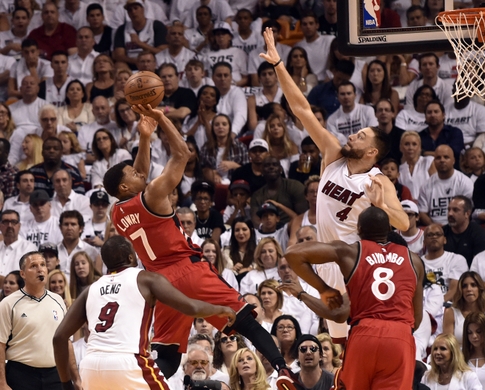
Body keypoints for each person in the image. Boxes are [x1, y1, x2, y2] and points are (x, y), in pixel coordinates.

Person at [102, 104, 302, 385]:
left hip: (160, 284)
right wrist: (162, 118)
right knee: (245, 321)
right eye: (132, 174)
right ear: (125, 187)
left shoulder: (117, 213)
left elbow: (138, 175)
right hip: (188, 270)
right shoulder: (154, 195)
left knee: (167, 353)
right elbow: (182, 154)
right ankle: (284, 370)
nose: (139, 173)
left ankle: (136, 385)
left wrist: (145, 138)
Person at [260, 28, 409, 242]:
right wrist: (278, 65)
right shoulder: (333, 154)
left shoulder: (378, 181)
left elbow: (403, 223)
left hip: (354, 261)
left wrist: (381, 206)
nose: (351, 137)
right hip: (326, 259)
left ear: (372, 151)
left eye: (360, 137)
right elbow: (302, 110)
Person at [52, 235, 236, 389]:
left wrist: (66, 384)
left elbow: (59, 337)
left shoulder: (90, 289)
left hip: (90, 367)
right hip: (128, 362)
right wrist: (221, 309)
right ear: (132, 258)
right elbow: (192, 307)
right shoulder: (144, 279)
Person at [285, 207, 424, 390]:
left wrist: (324, 288)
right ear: (389, 229)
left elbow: (292, 254)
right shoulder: (414, 260)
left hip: (365, 332)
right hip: (399, 335)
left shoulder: (351, 251)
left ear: (358, 229)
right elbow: (417, 319)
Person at [0, 251, 82, 389]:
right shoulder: (8, 304)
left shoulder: (58, 301)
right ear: (23, 274)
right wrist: (2, 383)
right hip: (21, 374)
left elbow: (66, 342)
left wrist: (76, 379)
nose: (40, 269)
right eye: (33, 266)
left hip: (55, 374)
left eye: (43, 265)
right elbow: (0, 345)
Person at [417, 144, 474, 226]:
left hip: (458, 227)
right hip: (435, 229)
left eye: (446, 157)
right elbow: (422, 213)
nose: (442, 160)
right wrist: (435, 227)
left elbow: (467, 211)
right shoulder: (426, 185)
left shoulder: (465, 182)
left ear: (453, 160)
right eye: (438, 158)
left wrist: (450, 229)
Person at [443, 270, 485, 345]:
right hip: (458, 355)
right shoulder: (451, 312)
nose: (469, 289)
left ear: (480, 289)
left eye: (473, 285)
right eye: (464, 286)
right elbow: (448, 344)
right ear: (461, 290)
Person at [443, 196, 485, 267]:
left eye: (455, 210)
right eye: (449, 210)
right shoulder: (442, 232)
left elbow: (480, 266)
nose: (450, 214)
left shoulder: (479, 234)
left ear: (467, 214)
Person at [0, 209, 37, 278]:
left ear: (19, 226)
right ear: (0, 226)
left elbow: (30, 277)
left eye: (13, 222)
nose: (10, 226)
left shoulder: (29, 249)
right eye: (6, 222)